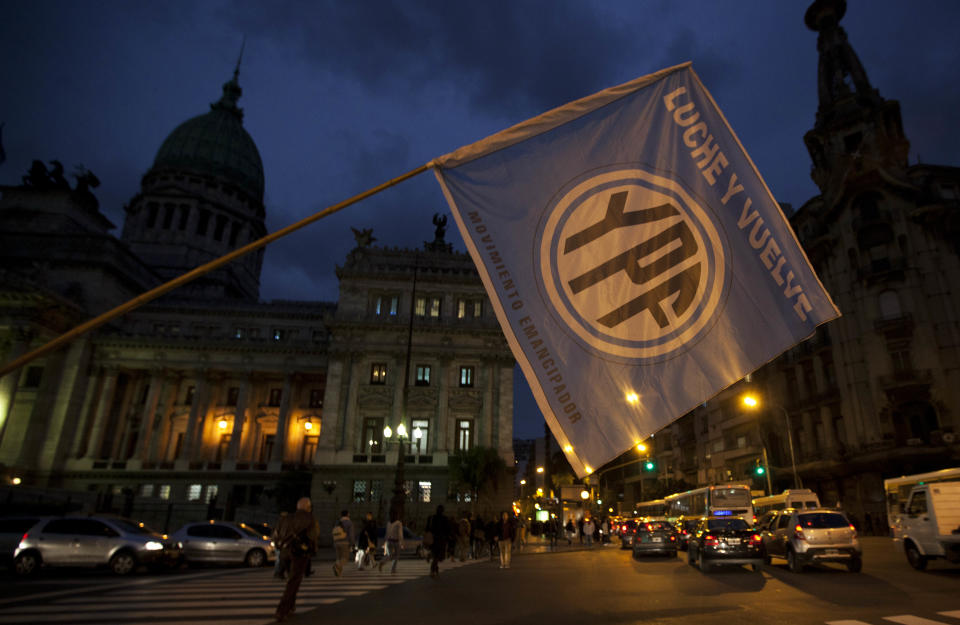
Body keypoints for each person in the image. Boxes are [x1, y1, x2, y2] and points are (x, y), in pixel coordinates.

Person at [274, 497, 319, 623]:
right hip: (299, 553)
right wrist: (313, 551)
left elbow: (275, 534)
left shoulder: (285, 518)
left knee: (291, 580)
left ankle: (291, 606)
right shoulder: (310, 518)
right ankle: (281, 610)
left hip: (284, 552)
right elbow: (313, 537)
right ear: (308, 507)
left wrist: (279, 547)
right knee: (293, 582)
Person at [425, 504, 450, 577]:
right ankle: (433, 569)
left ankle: (435, 567)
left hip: (433, 538)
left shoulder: (431, 518)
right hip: (440, 539)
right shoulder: (444, 519)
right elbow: (448, 529)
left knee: (436, 554)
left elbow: (427, 528)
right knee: (438, 556)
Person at [332, 509, 354, 576]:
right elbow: (351, 534)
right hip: (344, 542)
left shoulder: (337, 522)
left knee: (339, 558)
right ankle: (336, 565)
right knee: (345, 558)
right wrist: (352, 543)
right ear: (347, 514)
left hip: (336, 542)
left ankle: (338, 572)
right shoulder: (349, 522)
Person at [272, 511, 290, 580]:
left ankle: (279, 572)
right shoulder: (281, 523)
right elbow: (277, 533)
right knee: (280, 559)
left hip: (280, 543)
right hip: (280, 543)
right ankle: (279, 572)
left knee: (280, 558)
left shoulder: (279, 523)